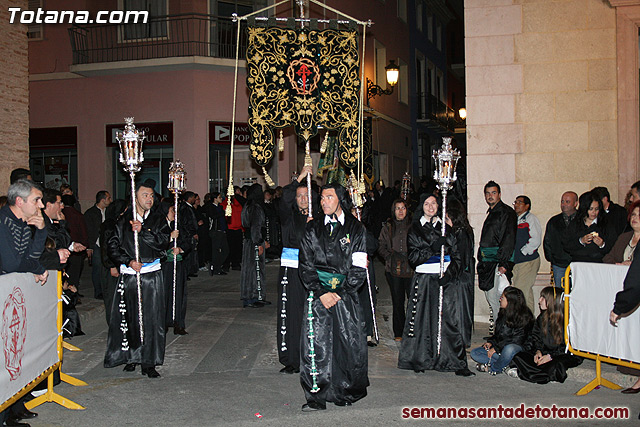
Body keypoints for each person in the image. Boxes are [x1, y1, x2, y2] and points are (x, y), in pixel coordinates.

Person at [299, 183, 369, 411]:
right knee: (315, 344)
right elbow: (306, 265)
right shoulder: (312, 229)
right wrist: (320, 292)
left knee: (346, 344)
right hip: (318, 295)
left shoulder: (356, 228)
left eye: (329, 197)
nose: (323, 202)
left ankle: (344, 390)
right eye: (321, 198)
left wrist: (339, 292)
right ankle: (316, 394)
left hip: (345, 296)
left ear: (340, 199)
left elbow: (359, 267)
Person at [397, 193, 471, 376]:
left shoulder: (447, 228)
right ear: (422, 206)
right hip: (423, 281)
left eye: (434, 203)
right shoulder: (414, 229)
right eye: (427, 204)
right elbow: (413, 258)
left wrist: (449, 275)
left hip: (444, 280)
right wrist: (432, 249)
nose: (431, 207)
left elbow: (458, 257)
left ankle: (452, 360)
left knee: (449, 320)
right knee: (421, 319)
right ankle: (419, 358)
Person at [104, 181, 171, 378]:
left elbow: (162, 243)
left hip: (151, 276)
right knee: (130, 317)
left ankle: (149, 361)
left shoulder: (158, 220)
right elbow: (112, 246)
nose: (149, 199)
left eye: (151, 196)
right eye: (144, 195)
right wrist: (128, 261)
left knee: (152, 319)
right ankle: (132, 356)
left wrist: (144, 232)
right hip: (130, 276)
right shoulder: (123, 221)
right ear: (135, 198)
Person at [0, 178, 47, 426]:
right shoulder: (3, 222)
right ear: (20, 201)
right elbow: (12, 263)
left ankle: (13, 409)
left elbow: (28, 255)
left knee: (16, 354)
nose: (40, 205)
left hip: (10, 294)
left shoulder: (20, 222)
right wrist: (37, 267)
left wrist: (41, 231)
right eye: (36, 200)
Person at [276, 165, 317, 374]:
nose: (302, 199)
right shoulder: (288, 217)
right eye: (299, 196)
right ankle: (291, 359)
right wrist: (300, 178)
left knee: (312, 314)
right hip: (291, 271)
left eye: (306, 195)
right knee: (291, 314)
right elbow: (284, 199)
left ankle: (312, 357)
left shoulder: (317, 219)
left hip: (312, 271)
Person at [508, 286, 582, 383]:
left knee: (557, 365)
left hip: (561, 355)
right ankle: (539, 375)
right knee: (519, 356)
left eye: (543, 298)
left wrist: (550, 356)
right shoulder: (542, 317)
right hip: (545, 352)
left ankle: (531, 374)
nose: (539, 301)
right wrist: (538, 351)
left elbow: (567, 347)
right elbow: (535, 337)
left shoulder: (567, 320)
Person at [476, 181, 517, 330]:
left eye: (493, 193)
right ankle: (499, 332)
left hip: (497, 263)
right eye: (487, 193)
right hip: (488, 263)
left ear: (499, 194)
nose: (490, 196)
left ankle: (502, 332)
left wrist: (504, 264)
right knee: (491, 297)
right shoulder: (492, 212)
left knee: (497, 299)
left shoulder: (507, 212)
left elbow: (509, 238)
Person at [470, 287, 534, 375]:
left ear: (510, 301)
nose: (500, 299)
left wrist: (496, 348)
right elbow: (498, 335)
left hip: (518, 351)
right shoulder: (503, 313)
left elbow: (517, 341)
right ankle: (505, 365)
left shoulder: (525, 316)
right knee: (475, 353)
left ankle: (494, 368)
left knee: (509, 349)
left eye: (502, 297)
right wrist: (491, 343)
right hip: (501, 350)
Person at [378, 199, 413, 341]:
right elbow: (380, 245)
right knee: (397, 301)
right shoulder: (388, 226)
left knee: (412, 300)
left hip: (411, 268)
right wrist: (389, 257)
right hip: (393, 269)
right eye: (397, 208)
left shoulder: (413, 226)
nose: (400, 211)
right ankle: (399, 331)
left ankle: (412, 329)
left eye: (403, 208)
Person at [446, 199, 475, 353]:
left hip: (462, 278)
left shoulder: (461, 233)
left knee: (462, 311)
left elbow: (461, 258)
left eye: (447, 218)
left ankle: (463, 341)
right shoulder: (460, 231)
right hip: (462, 276)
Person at [158, 199, 191, 335]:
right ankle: (164, 322)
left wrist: (181, 249)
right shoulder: (158, 226)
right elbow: (155, 243)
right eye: (172, 210)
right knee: (164, 293)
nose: (174, 213)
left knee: (179, 293)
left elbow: (188, 241)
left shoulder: (178, 226)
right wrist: (170, 239)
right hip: (164, 265)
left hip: (178, 265)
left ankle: (178, 323)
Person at [562, 191, 614, 264]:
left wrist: (602, 245)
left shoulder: (605, 224)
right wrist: (581, 241)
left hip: (598, 264)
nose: (594, 212)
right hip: (578, 263)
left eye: (596, 209)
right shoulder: (576, 223)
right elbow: (566, 245)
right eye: (591, 209)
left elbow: (613, 247)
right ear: (585, 208)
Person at [240, 184, 270, 308]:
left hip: (249, 241)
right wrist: (259, 243)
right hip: (254, 241)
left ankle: (256, 296)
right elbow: (256, 227)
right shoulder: (256, 207)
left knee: (251, 268)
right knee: (255, 269)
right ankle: (253, 296)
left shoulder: (248, 205)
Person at [511, 195, 542, 313]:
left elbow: (536, 239)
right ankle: (530, 322)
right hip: (517, 262)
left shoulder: (531, 219)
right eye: (515, 202)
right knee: (526, 293)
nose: (516, 204)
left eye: (520, 202)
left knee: (520, 292)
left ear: (527, 206)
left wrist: (523, 252)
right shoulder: (515, 219)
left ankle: (522, 323)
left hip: (527, 261)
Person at [543, 191, 578, 288]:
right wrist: (553, 259)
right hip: (559, 264)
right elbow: (547, 242)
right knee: (560, 294)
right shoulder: (554, 221)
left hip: (577, 264)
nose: (564, 205)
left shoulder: (582, 220)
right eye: (562, 201)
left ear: (575, 203)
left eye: (567, 202)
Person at [84, 191, 112, 299]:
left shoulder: (109, 211)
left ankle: (105, 289)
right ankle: (98, 291)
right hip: (96, 244)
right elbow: (88, 231)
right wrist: (89, 247)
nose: (110, 200)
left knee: (105, 268)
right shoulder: (90, 213)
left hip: (106, 244)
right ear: (103, 200)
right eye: (108, 198)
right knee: (97, 268)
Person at [61, 194, 88, 293]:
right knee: (75, 273)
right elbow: (83, 232)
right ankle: (73, 293)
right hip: (76, 247)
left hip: (67, 246)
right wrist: (85, 245)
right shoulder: (77, 215)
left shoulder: (61, 214)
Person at [604, 200, 640, 265]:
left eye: (639, 215)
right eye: (633, 214)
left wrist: (633, 265)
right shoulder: (624, 237)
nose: (635, 217)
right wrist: (618, 264)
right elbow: (607, 258)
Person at [206, 192, 229, 276]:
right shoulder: (210, 207)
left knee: (225, 250)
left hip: (222, 230)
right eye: (219, 197)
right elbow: (213, 216)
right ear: (215, 198)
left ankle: (216, 265)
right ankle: (216, 268)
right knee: (216, 251)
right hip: (216, 231)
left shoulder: (220, 207)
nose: (221, 199)